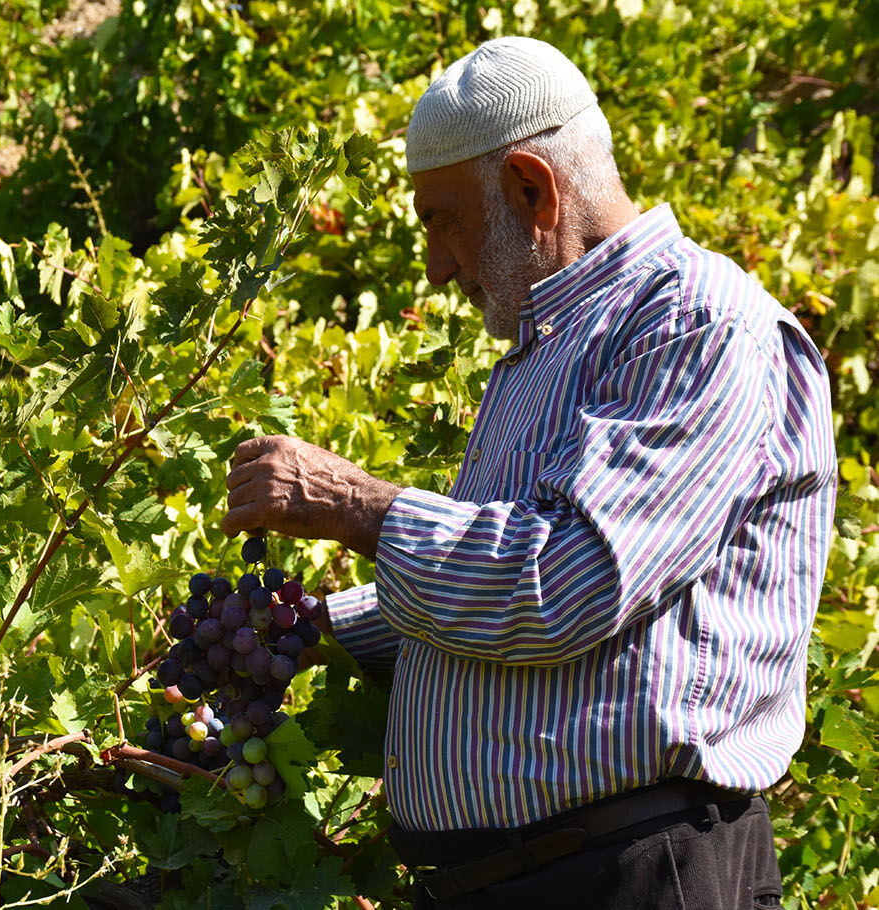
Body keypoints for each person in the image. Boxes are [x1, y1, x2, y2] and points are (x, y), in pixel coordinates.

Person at [221, 36, 837, 909]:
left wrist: (356, 506)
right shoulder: (546, 350)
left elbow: (566, 579)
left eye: (441, 220)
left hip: (638, 877)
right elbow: (503, 604)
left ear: (529, 188)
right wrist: (314, 633)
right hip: (542, 878)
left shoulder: (698, 325)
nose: (435, 264)